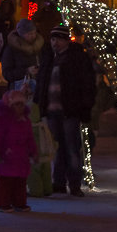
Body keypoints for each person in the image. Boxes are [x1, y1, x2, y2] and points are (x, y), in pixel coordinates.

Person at [35, 25, 96, 197]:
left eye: (59, 39)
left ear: (66, 40)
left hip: (70, 111)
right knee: (57, 147)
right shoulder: (49, 58)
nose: (55, 43)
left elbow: (87, 85)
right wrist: (40, 103)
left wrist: (85, 107)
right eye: (53, 39)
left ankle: (74, 184)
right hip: (52, 111)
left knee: (71, 147)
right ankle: (59, 182)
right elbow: (43, 83)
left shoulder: (77, 58)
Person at [0, 89, 37, 212]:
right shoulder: (3, 120)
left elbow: (30, 138)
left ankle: (19, 202)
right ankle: (3, 203)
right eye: (17, 104)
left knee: (20, 182)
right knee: (5, 182)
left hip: (21, 157)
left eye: (22, 104)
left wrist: (33, 152)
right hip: (7, 156)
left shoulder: (25, 121)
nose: (20, 107)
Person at [0, 18, 44, 88]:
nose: (33, 36)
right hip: (18, 90)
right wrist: (26, 71)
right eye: (29, 34)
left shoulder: (38, 47)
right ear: (21, 34)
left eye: (34, 33)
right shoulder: (11, 49)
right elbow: (7, 74)